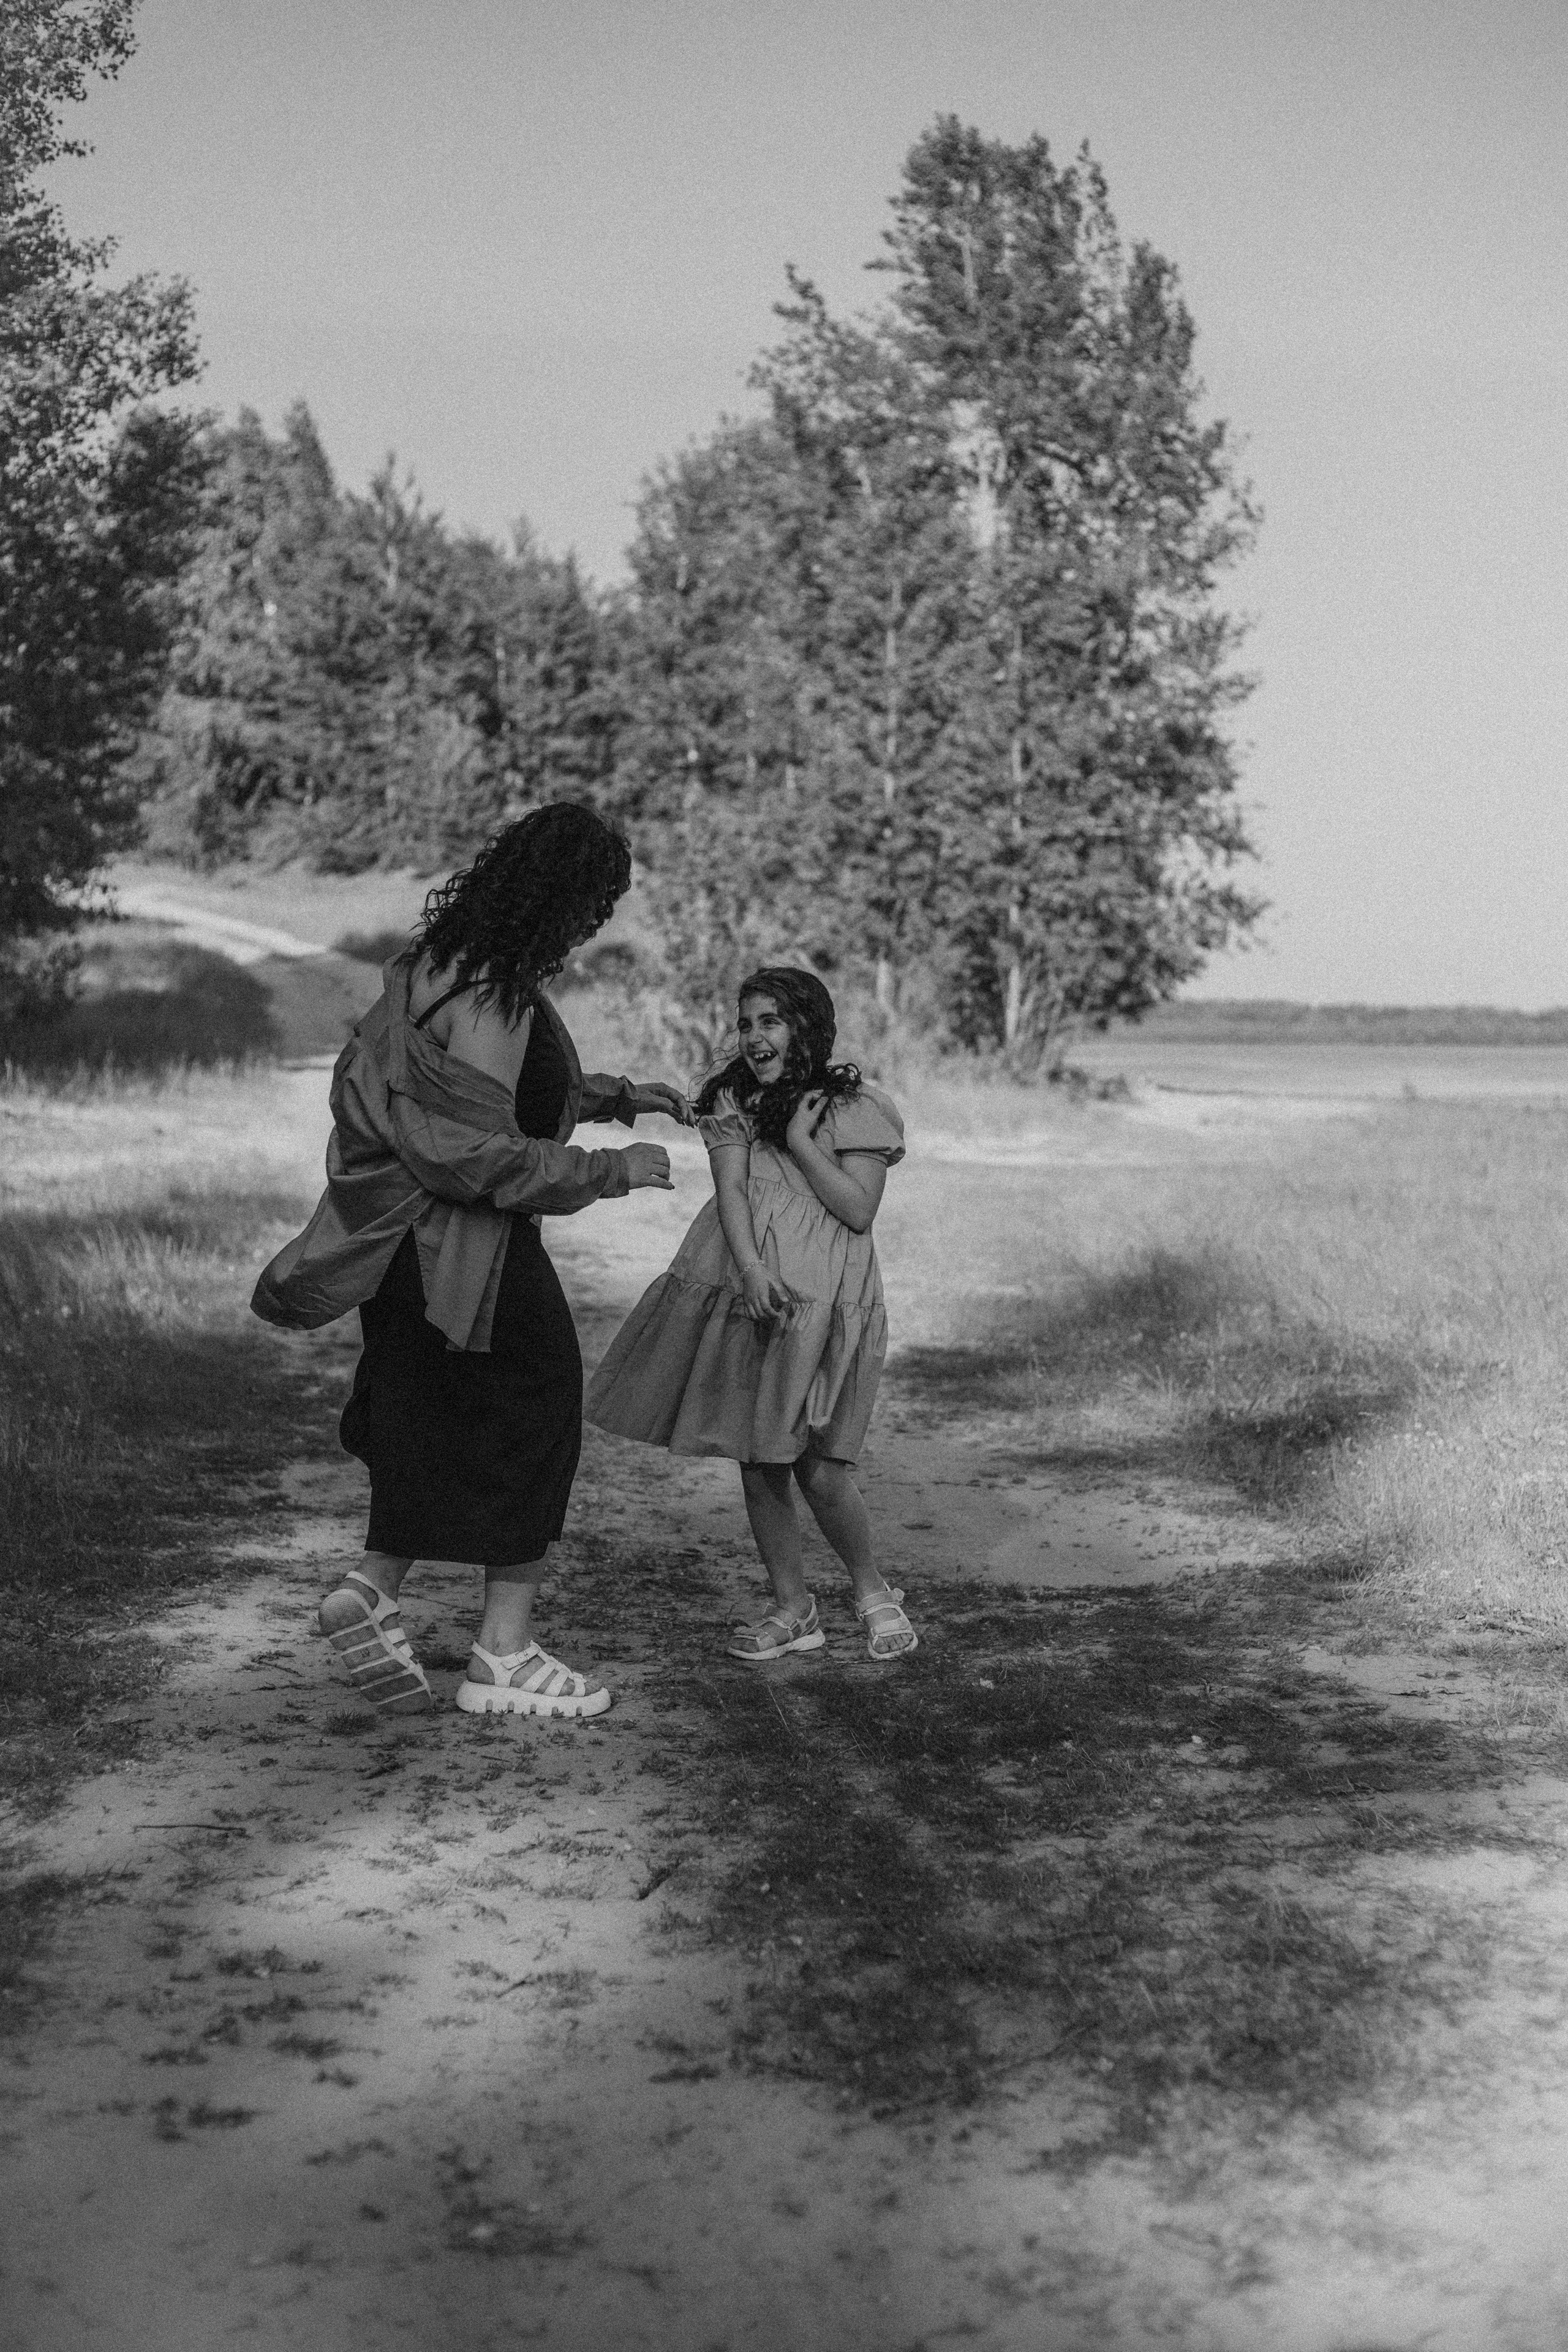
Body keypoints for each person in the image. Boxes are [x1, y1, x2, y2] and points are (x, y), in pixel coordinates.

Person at [251, 803, 690, 1721]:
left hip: (403, 1253)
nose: (592, 925)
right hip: (465, 1254)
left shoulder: (430, 969)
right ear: (562, 899)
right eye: (593, 905)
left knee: (426, 1410)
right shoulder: (495, 993)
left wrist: (614, 1098)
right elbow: (476, 1157)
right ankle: (504, 1653)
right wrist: (617, 1170)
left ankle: (370, 1595)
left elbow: (460, 1098)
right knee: (539, 1408)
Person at [585, 966, 916, 1662]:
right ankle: (793, 1608)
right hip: (755, 1297)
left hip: (827, 1302)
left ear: (806, 1027)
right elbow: (731, 1190)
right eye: (745, 1023)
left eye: (770, 1021)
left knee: (821, 1467)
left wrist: (799, 1142)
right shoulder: (733, 1100)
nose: (754, 1036)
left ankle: (872, 1590)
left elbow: (857, 1209)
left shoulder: (851, 1107)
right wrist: (752, 1269)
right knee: (761, 1459)